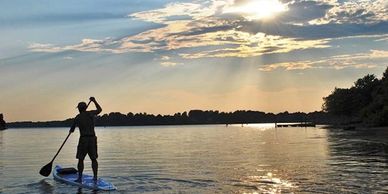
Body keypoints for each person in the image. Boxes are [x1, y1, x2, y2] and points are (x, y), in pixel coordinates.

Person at [70, 97, 102, 183]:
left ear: (79, 109)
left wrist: (71, 129)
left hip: (83, 139)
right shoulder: (90, 114)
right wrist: (94, 101)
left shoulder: (77, 117)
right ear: (85, 108)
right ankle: (95, 177)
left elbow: (72, 130)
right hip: (92, 138)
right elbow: (99, 109)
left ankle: (80, 178)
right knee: (94, 159)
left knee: (81, 159)